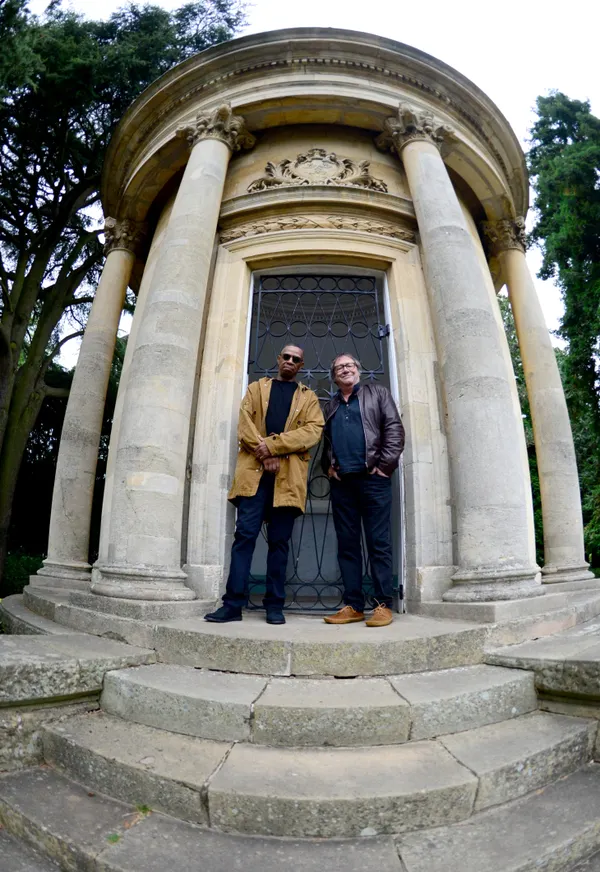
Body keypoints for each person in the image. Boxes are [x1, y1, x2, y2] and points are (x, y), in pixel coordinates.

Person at [205, 345, 324, 625]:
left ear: (301, 365)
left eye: (296, 359)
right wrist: (266, 453)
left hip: (288, 480)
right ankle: (233, 605)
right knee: (244, 538)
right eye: (286, 356)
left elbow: (313, 431)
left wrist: (272, 446)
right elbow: (244, 423)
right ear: (278, 359)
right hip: (254, 477)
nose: (290, 361)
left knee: (279, 544)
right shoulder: (256, 389)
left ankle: (274, 606)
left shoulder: (308, 398)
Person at [322, 353, 404, 627]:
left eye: (349, 365)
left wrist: (384, 467)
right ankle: (354, 606)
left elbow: (394, 429)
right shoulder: (330, 406)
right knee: (347, 545)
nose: (345, 369)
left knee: (378, 543)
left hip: (373, 480)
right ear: (334, 376)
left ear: (358, 370)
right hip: (342, 484)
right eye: (339, 367)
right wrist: (328, 468)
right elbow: (325, 442)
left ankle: (382, 605)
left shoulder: (377, 393)